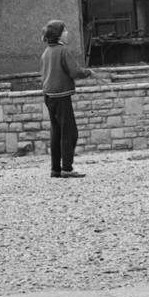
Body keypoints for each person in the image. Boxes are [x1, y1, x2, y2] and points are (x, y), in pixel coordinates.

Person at [40, 20, 91, 179]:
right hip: (61, 96)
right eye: (65, 30)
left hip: (49, 96)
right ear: (59, 34)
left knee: (56, 132)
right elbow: (75, 71)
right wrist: (88, 72)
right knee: (69, 132)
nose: (68, 33)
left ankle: (55, 169)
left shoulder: (46, 53)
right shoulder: (63, 51)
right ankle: (67, 168)